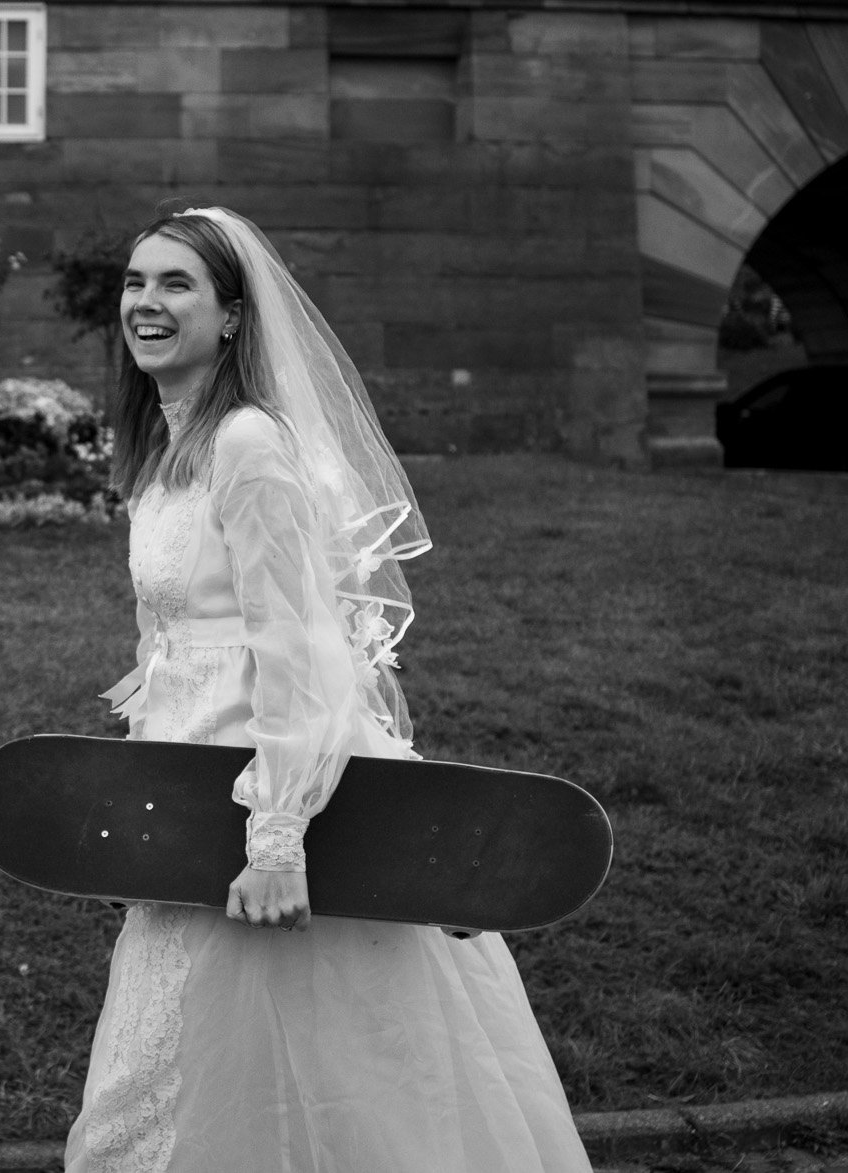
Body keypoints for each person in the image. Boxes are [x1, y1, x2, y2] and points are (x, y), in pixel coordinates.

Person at [65, 205, 592, 1173]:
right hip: (187, 805)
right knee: (185, 1078)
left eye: (175, 283)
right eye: (135, 282)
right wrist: (135, 820)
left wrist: (274, 839)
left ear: (230, 316)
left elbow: (299, 651)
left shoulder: (246, 447)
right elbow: (172, 642)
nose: (145, 302)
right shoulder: (164, 453)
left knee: (319, 1081)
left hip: (267, 802)